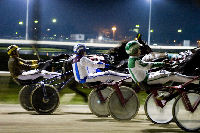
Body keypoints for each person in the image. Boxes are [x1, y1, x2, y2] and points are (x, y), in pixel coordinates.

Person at [125, 40, 199, 85]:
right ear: (134, 50)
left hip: (144, 78)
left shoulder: (132, 59)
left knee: (164, 72)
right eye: (138, 49)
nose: (140, 50)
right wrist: (162, 63)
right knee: (172, 75)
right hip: (145, 80)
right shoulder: (135, 61)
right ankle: (195, 81)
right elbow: (148, 66)